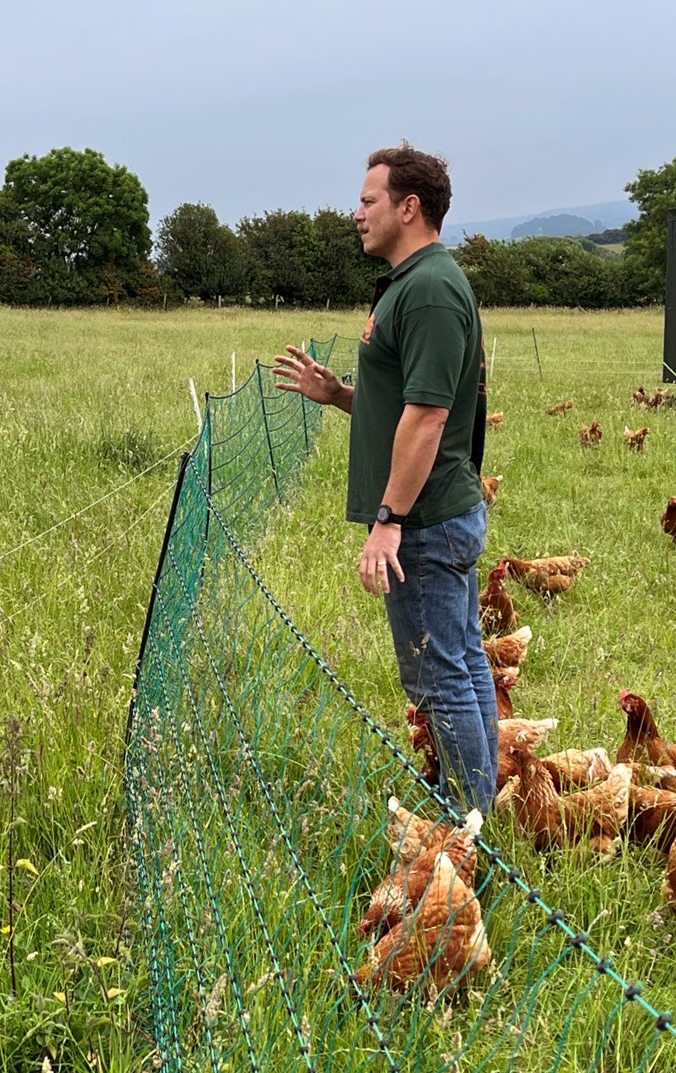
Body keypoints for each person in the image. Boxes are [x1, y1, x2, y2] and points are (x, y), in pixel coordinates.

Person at [273, 143, 497, 815]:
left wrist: (388, 520)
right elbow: (407, 402)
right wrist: (339, 393)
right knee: (461, 661)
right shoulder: (416, 283)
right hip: (433, 513)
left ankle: (464, 823)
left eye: (367, 200)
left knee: (439, 678)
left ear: (409, 207)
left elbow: (428, 418)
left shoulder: (427, 290)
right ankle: (477, 806)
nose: (355, 212)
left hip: (423, 521)